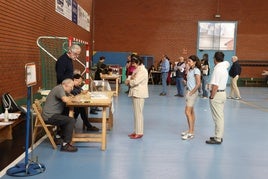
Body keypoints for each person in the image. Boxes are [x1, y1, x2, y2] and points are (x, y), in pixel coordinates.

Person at [42, 79, 78, 152]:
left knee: (66, 115)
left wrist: (71, 97)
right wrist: (73, 99)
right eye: (71, 87)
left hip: (51, 114)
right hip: (49, 116)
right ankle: (65, 145)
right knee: (70, 120)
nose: (72, 89)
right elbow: (65, 99)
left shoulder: (62, 90)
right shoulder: (59, 89)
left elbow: (70, 97)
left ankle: (58, 137)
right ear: (66, 85)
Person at [206, 51, 230, 145]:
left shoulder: (217, 69)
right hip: (222, 93)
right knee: (219, 116)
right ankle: (218, 135)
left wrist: (212, 96)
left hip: (217, 94)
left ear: (215, 59)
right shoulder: (224, 68)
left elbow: (215, 85)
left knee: (218, 117)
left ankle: (218, 138)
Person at [125, 54, 149, 139]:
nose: (132, 65)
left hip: (139, 94)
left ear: (138, 62)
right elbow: (130, 77)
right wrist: (129, 79)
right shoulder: (137, 69)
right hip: (135, 93)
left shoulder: (143, 70)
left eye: (134, 63)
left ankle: (139, 132)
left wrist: (129, 81)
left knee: (139, 113)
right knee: (136, 114)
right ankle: (136, 131)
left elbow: (135, 81)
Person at [181, 55, 201, 140]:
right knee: (191, 112)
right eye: (188, 61)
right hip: (188, 91)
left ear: (194, 62)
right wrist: (185, 82)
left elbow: (198, 83)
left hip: (191, 93)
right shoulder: (190, 70)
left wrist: (191, 92)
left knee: (187, 112)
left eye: (189, 61)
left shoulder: (196, 70)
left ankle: (191, 133)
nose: (188, 62)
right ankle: (190, 130)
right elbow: (191, 82)